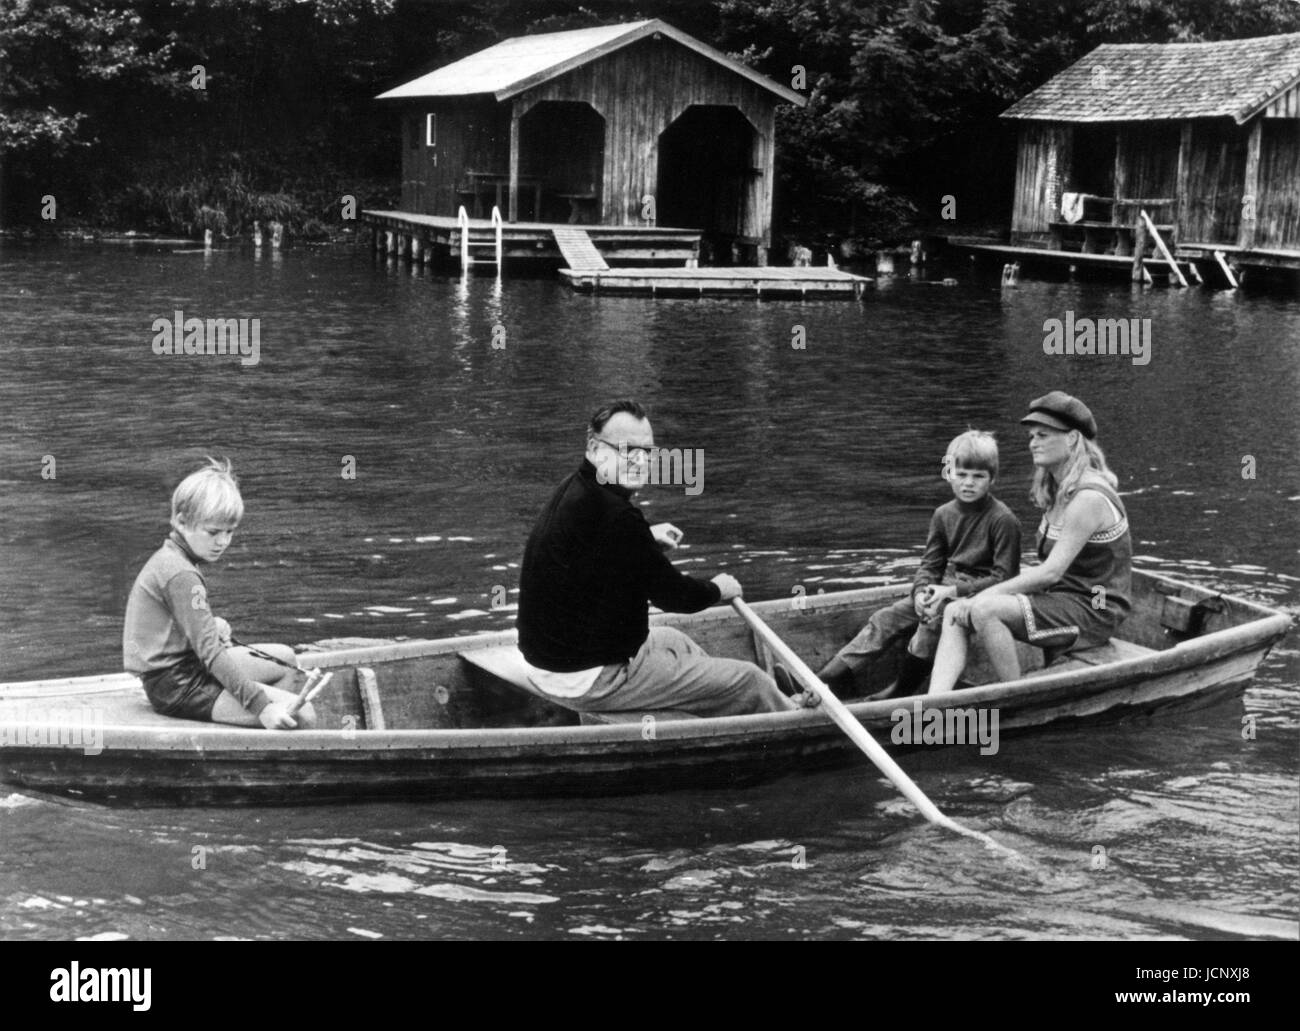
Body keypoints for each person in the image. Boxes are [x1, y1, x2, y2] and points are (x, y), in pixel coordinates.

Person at [517, 399, 810, 719]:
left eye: (647, 452)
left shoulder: (576, 489)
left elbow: (592, 553)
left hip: (549, 666)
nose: (640, 461)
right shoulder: (618, 518)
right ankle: (792, 716)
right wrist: (719, 589)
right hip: (591, 679)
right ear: (594, 447)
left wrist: (645, 540)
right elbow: (676, 596)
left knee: (673, 639)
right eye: (628, 450)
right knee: (748, 680)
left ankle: (715, 703)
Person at [926, 392, 1132, 694]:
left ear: (1073, 439)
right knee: (955, 612)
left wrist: (981, 598)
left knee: (985, 610)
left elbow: (1050, 573)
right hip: (1063, 599)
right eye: (1032, 435)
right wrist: (967, 600)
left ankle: (1018, 695)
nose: (1033, 442)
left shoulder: (1087, 498)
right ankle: (936, 702)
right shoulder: (1058, 488)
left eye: (1043, 435)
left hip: (1096, 609)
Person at [818, 430, 1021, 698]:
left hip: (981, 596)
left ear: (992, 479)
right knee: (886, 618)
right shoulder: (943, 515)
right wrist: (920, 592)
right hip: (946, 588)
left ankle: (900, 692)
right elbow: (930, 565)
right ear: (949, 474)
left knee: (932, 621)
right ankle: (826, 678)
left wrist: (951, 592)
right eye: (961, 474)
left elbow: (1005, 577)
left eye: (978, 476)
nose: (968, 483)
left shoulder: (1003, 519)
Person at [123, 457, 315, 728]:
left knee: (286, 659)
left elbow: (177, 627)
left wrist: (212, 625)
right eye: (213, 532)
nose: (222, 542)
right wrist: (262, 707)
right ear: (181, 520)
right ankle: (263, 727)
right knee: (303, 715)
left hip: (184, 670)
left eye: (229, 532)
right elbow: (211, 653)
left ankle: (263, 736)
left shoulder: (174, 557)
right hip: (178, 686)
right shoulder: (181, 574)